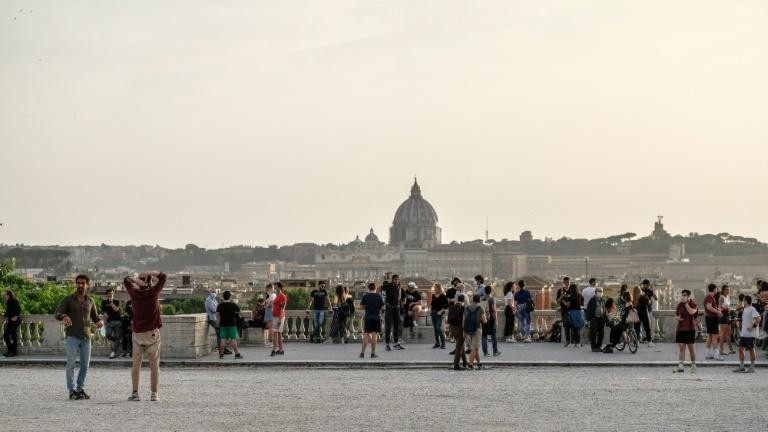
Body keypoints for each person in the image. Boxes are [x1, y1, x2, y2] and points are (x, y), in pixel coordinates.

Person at [55, 274, 103, 400]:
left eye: (83, 283)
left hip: (86, 337)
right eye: (78, 283)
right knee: (70, 364)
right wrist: (64, 317)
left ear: (87, 285)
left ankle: (80, 389)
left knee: (85, 366)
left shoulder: (91, 301)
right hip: (72, 336)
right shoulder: (68, 299)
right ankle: (71, 391)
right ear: (76, 284)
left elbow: (94, 317)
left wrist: (99, 322)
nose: (80, 285)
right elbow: (58, 313)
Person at [124, 271, 166, 402]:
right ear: (150, 281)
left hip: (138, 334)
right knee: (154, 366)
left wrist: (136, 280)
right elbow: (163, 277)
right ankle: (154, 394)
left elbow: (126, 280)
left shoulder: (134, 294)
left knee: (136, 365)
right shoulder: (153, 293)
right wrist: (150, 272)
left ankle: (135, 393)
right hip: (152, 334)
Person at [734, 295, 761, 373]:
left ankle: (752, 367)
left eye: (743, 301)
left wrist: (753, 327)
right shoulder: (745, 309)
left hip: (750, 335)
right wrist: (738, 320)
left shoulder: (752, 309)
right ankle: (742, 367)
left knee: (751, 350)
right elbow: (745, 319)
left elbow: (759, 318)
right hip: (744, 334)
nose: (742, 302)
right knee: (740, 349)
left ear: (746, 301)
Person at [675, 289, 699, 373]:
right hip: (681, 328)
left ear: (689, 296)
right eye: (682, 295)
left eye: (685, 295)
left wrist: (685, 304)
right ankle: (681, 365)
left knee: (691, 348)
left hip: (690, 328)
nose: (683, 296)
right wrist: (677, 318)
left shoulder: (693, 304)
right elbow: (677, 315)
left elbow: (692, 312)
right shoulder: (679, 305)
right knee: (681, 348)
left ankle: (693, 364)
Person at [216, 291, 243, 360]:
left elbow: (218, 316)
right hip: (232, 324)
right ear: (230, 297)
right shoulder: (233, 305)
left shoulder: (220, 305)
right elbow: (240, 313)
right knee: (233, 339)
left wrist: (218, 324)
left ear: (223, 297)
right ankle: (237, 354)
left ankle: (221, 355)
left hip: (223, 324)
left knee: (223, 339)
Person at [359, 283, 384, 358]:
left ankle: (362, 353)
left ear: (368, 288)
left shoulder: (365, 296)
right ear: (375, 288)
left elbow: (361, 307)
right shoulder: (379, 296)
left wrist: (367, 306)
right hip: (376, 317)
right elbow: (383, 307)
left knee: (366, 334)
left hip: (368, 317)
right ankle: (373, 353)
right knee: (374, 335)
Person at [464, 294, 487, 369]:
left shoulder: (467, 307)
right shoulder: (480, 308)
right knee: (474, 347)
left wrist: (464, 330)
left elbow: (463, 320)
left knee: (475, 346)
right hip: (477, 329)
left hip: (468, 329)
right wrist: (485, 319)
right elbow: (484, 321)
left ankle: (479, 363)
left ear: (473, 299)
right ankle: (470, 364)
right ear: (479, 300)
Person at [382, 274, 405, 351]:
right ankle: (387, 344)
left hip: (396, 308)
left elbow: (400, 298)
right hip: (389, 308)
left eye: (398, 279)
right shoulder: (388, 285)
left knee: (396, 326)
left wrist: (400, 304)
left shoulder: (399, 287)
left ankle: (396, 344)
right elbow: (379, 288)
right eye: (395, 279)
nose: (397, 280)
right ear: (392, 280)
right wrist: (383, 302)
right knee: (388, 326)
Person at [448, 294, 469, 370]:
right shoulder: (463, 308)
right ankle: (456, 364)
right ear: (464, 300)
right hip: (460, 328)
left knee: (461, 345)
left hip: (452, 328)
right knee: (459, 346)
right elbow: (464, 320)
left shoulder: (451, 307)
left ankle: (465, 362)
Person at [703, 283, 723, 361]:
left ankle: (707, 353)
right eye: (716, 289)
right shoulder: (709, 297)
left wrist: (717, 310)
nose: (717, 290)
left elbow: (709, 307)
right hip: (712, 319)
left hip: (709, 318)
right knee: (715, 336)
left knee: (710, 337)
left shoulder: (709, 297)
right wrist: (718, 312)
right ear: (714, 289)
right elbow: (708, 307)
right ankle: (716, 354)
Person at [101, 288, 123, 359]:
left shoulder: (116, 301)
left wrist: (111, 303)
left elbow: (116, 309)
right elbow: (103, 313)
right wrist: (104, 323)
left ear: (113, 294)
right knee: (108, 335)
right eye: (109, 293)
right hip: (109, 322)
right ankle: (118, 343)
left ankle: (113, 352)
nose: (110, 294)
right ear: (107, 294)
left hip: (117, 322)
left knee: (117, 336)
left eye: (112, 293)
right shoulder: (104, 302)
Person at [585, 287, 606, 352]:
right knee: (593, 333)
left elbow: (604, 309)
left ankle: (599, 346)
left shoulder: (603, 300)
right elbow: (588, 309)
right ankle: (593, 347)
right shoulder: (592, 300)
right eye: (599, 291)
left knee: (601, 333)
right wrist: (590, 318)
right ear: (596, 292)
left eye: (601, 291)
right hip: (594, 319)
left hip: (601, 318)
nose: (600, 293)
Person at [2, 290, 22, 358]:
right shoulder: (9, 302)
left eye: (4, 294)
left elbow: (19, 309)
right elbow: (9, 312)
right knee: (13, 336)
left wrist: (16, 316)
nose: (3, 296)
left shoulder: (12, 301)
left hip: (15, 321)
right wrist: (4, 314)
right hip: (12, 321)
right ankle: (12, 352)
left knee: (6, 335)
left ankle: (11, 351)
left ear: (8, 295)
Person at [563, 283, 584, 348]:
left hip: (572, 312)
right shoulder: (580, 296)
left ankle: (573, 342)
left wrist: (563, 300)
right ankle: (578, 342)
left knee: (572, 327)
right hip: (578, 312)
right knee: (577, 328)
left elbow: (568, 305)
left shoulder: (570, 297)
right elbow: (582, 304)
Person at [270, 282, 287, 356]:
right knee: (279, 333)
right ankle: (281, 349)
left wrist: (280, 319)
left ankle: (274, 349)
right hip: (275, 316)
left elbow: (282, 308)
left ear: (280, 288)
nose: (275, 289)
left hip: (279, 317)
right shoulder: (277, 296)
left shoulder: (282, 296)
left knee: (275, 333)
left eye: (276, 287)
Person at [718, 285, 735, 355]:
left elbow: (728, 305)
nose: (728, 291)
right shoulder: (721, 297)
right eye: (726, 290)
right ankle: (721, 351)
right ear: (723, 290)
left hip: (727, 315)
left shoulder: (728, 297)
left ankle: (731, 349)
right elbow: (719, 308)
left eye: (728, 289)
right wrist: (725, 309)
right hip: (723, 316)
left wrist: (729, 309)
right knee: (722, 334)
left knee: (729, 333)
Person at [430, 283, 448, 349]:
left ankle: (443, 343)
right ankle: (437, 343)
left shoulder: (443, 295)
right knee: (435, 329)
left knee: (438, 328)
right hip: (433, 313)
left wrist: (441, 311)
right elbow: (432, 304)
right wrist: (430, 310)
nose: (434, 289)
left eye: (435, 287)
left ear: (439, 288)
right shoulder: (433, 295)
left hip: (439, 313)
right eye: (434, 287)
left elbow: (446, 305)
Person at [557, 277, 572, 346]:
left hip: (572, 310)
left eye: (568, 282)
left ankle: (574, 341)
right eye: (566, 282)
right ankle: (567, 341)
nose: (567, 284)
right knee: (566, 326)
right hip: (564, 311)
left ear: (570, 282)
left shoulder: (572, 290)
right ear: (564, 283)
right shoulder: (560, 290)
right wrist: (562, 296)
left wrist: (569, 302)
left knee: (573, 325)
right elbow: (557, 301)